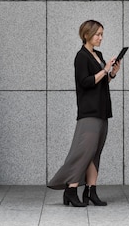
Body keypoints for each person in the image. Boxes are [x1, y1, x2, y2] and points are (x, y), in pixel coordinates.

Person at [47, 20, 121, 207]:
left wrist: (111, 74)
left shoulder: (99, 55)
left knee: (95, 152)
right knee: (84, 151)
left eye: (102, 34)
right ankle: (71, 190)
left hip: (103, 110)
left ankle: (91, 191)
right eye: (97, 34)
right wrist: (104, 70)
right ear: (87, 35)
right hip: (89, 112)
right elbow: (85, 82)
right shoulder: (81, 57)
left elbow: (101, 83)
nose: (101, 37)